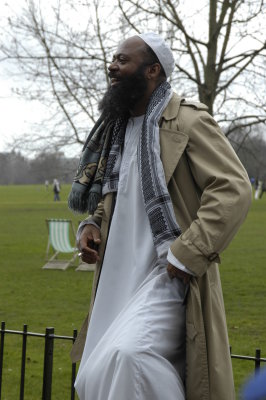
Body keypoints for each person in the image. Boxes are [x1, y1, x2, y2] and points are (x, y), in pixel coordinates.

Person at [68, 32, 252, 400]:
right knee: (92, 375)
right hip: (117, 278)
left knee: (130, 356)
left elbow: (234, 188)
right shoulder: (116, 130)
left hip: (167, 274)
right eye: (113, 58)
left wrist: (189, 253)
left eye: (123, 60)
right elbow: (118, 196)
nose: (113, 66)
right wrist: (92, 223)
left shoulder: (187, 121)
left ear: (153, 70)